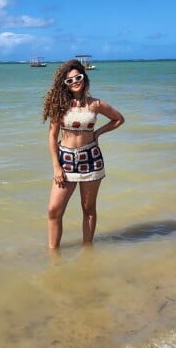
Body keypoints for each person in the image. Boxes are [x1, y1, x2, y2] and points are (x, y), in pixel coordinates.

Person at [42, 59, 125, 249]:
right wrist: (56, 166)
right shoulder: (60, 105)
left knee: (88, 209)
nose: (74, 82)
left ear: (84, 78)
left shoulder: (95, 104)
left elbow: (119, 119)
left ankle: (87, 251)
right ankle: (53, 255)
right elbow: (52, 136)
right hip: (66, 160)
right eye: (69, 80)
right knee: (53, 210)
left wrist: (97, 133)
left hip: (91, 159)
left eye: (77, 77)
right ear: (65, 84)